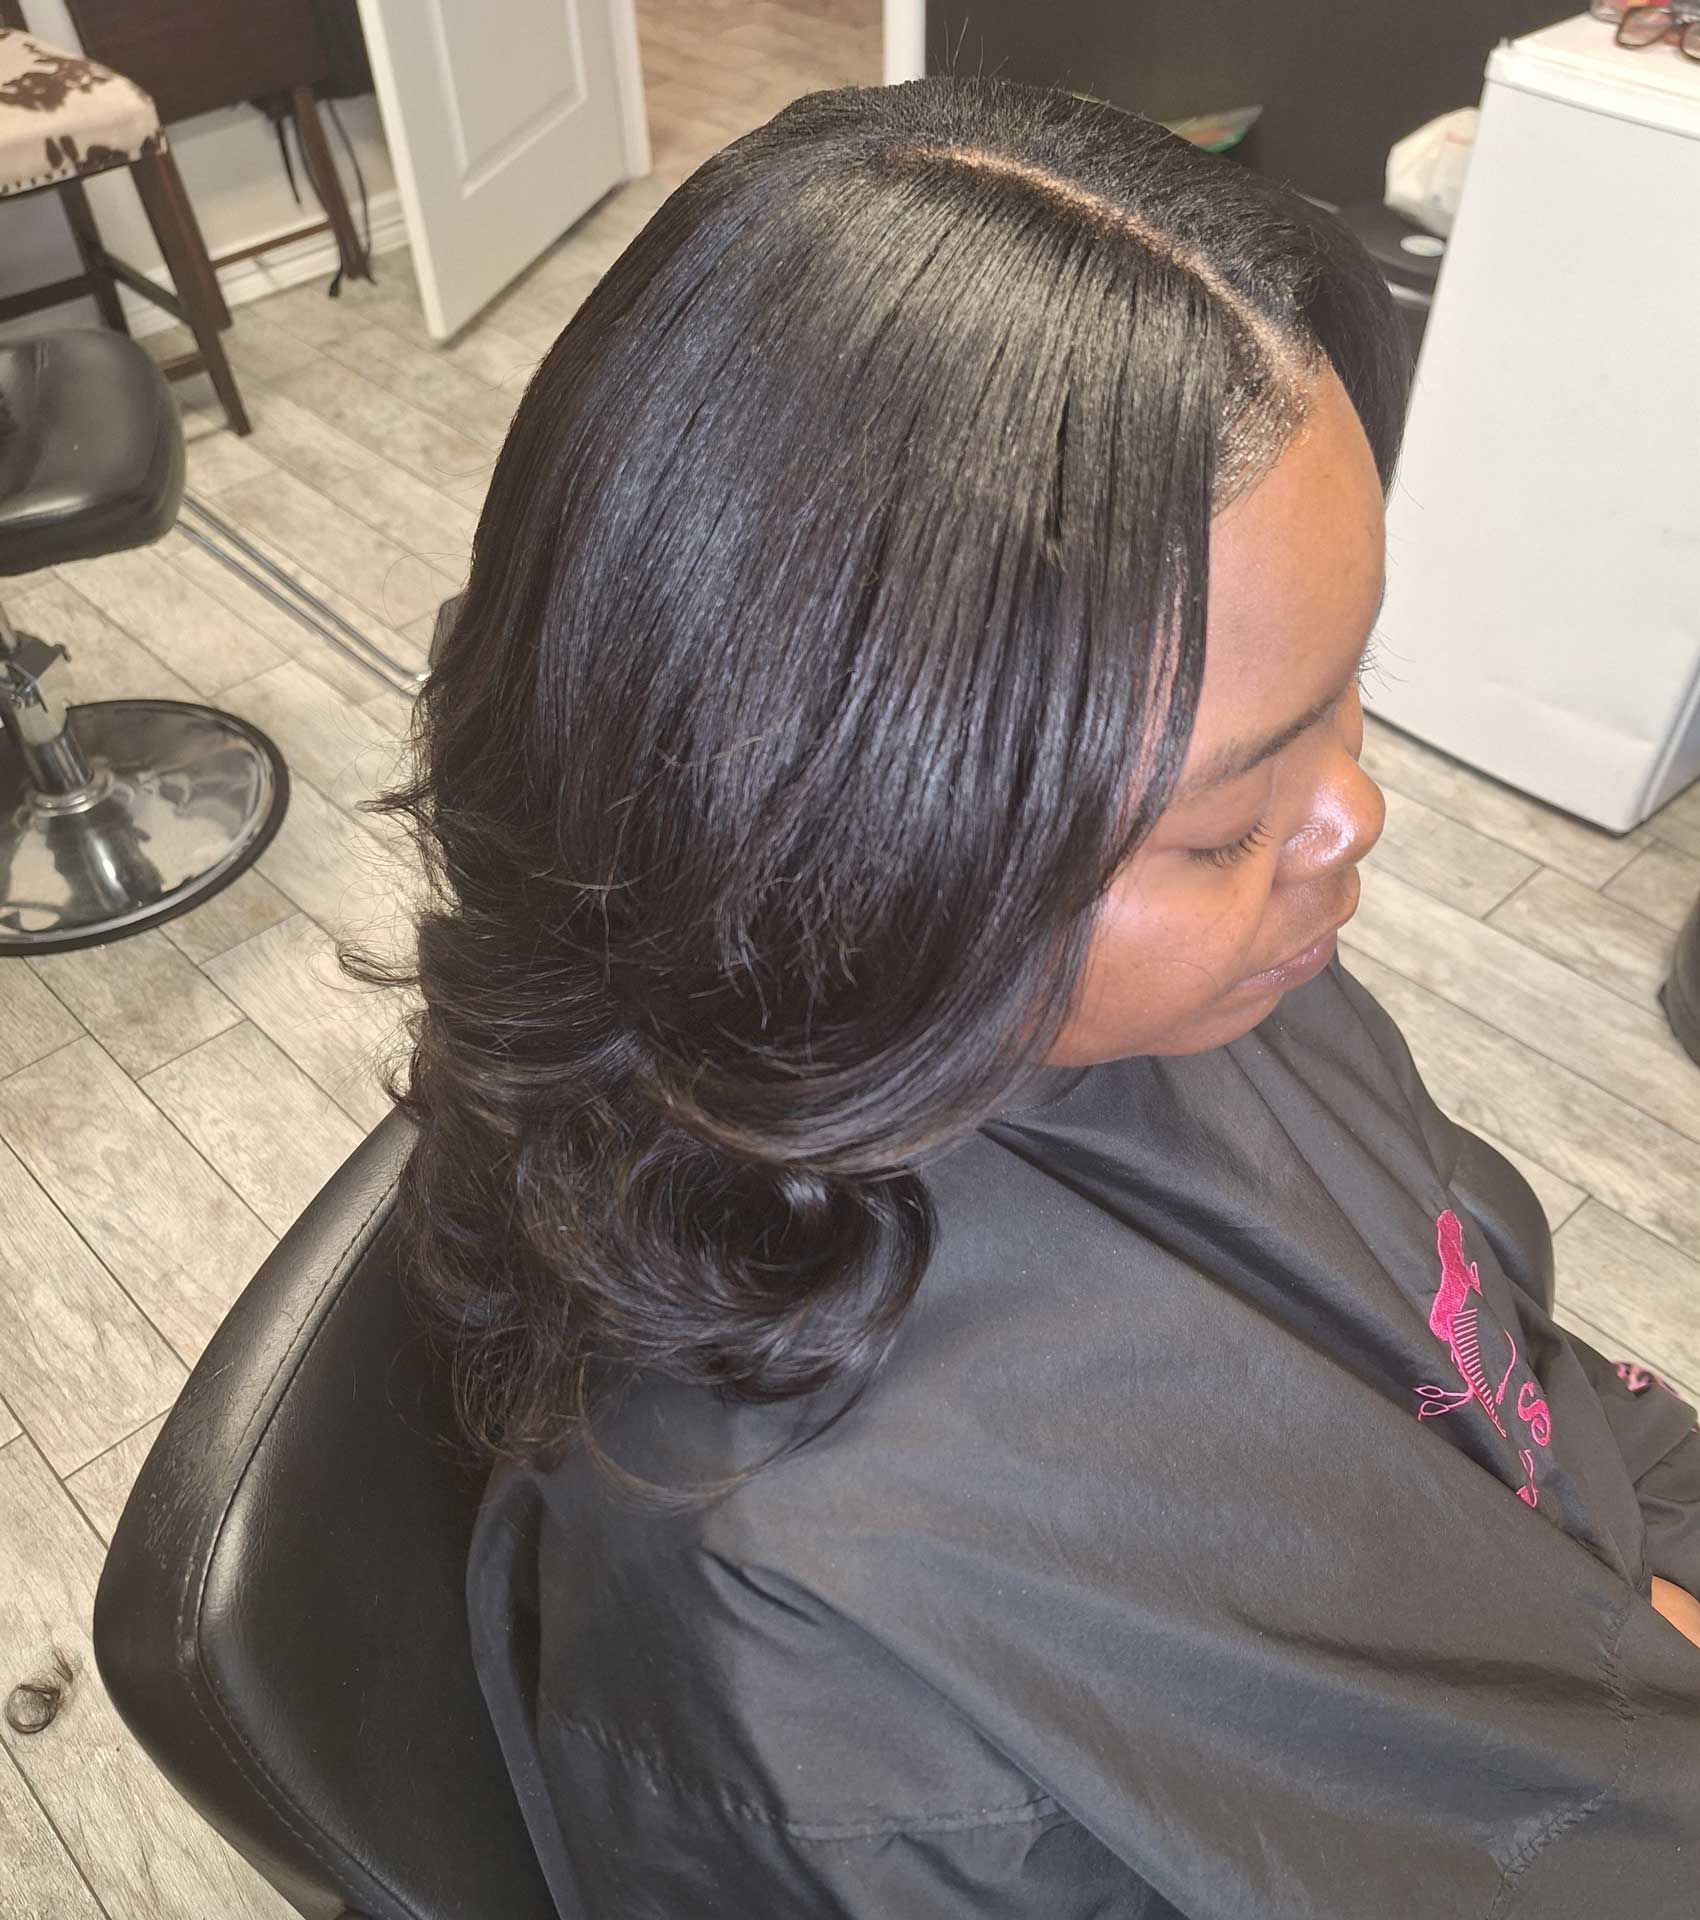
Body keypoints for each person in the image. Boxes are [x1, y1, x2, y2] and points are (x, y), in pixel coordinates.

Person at [368, 76, 1700, 1918]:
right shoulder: (810, 1653)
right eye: (1229, 817)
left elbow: (1492, 1360)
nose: (1355, 818)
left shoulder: (1185, 987)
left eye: (1347, 687)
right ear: (850, 864)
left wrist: (1621, 1600)